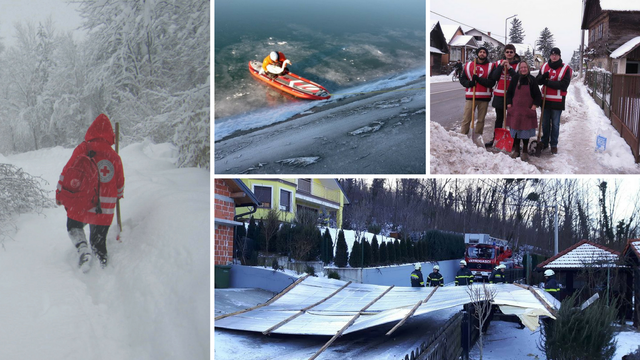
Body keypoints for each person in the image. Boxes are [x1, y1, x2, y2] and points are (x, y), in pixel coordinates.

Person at [56, 114, 125, 272]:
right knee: (98, 241)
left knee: (73, 226)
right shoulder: (114, 156)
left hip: (83, 201)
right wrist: (118, 195)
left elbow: (67, 172)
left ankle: (82, 249)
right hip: (105, 208)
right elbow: (120, 184)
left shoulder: (83, 148)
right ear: (110, 135)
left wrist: (59, 193)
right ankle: (104, 269)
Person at [535, 47, 572, 154]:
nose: (554, 56)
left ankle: (554, 144)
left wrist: (547, 82)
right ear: (550, 56)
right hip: (545, 100)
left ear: (559, 56)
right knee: (545, 123)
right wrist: (543, 77)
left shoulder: (566, 68)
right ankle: (544, 142)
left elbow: (564, 85)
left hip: (558, 100)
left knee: (555, 124)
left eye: (556, 54)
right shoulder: (544, 66)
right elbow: (537, 81)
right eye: (552, 54)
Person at [505, 61, 542, 161]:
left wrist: (534, 105)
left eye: (525, 67)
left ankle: (525, 151)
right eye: (521, 67)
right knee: (516, 132)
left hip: (527, 110)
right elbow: (509, 93)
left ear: (528, 68)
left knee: (525, 132)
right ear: (519, 69)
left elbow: (538, 95)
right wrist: (509, 104)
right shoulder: (515, 79)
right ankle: (517, 150)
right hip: (515, 111)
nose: (523, 69)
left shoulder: (532, 80)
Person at [486, 44, 521, 147]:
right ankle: (496, 139)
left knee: (512, 119)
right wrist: (501, 66)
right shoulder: (498, 63)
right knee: (499, 119)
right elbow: (495, 77)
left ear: (514, 53)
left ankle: (514, 140)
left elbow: (517, 78)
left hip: (513, 96)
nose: (509, 54)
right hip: (499, 95)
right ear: (504, 53)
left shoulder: (518, 65)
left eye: (511, 52)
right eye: (507, 52)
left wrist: (509, 68)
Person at [459, 47, 496, 136]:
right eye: (480, 52)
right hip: (471, 97)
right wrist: (469, 83)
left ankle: (477, 137)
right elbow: (462, 79)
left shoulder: (491, 66)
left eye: (484, 52)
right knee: (466, 118)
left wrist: (478, 79)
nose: (482, 53)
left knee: (481, 120)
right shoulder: (468, 65)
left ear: (486, 54)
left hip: (484, 98)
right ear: (477, 54)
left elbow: (491, 82)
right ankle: (463, 136)